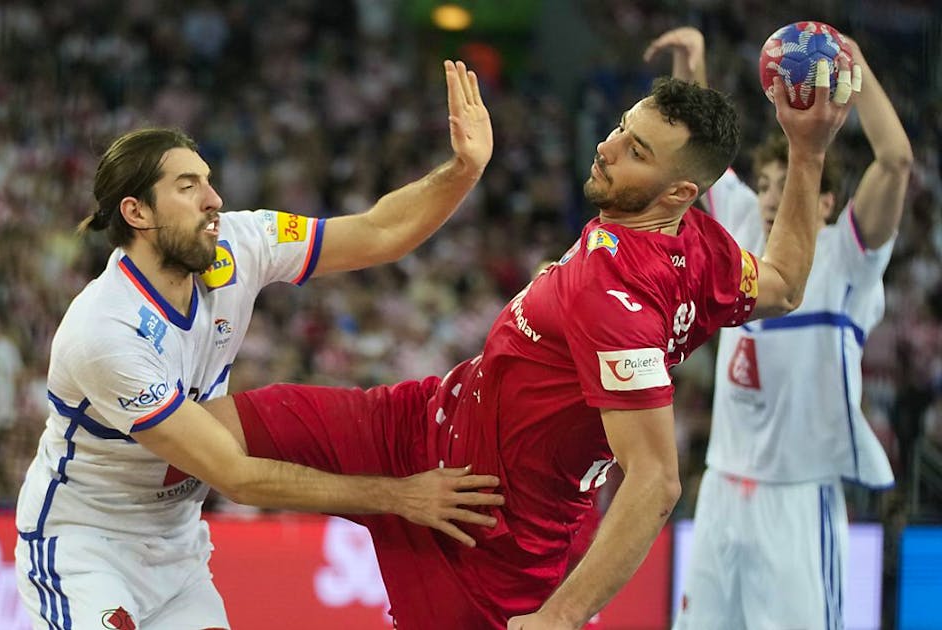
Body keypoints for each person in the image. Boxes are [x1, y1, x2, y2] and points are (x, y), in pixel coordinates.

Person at [204, 62, 860, 628]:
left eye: (636, 151)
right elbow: (782, 283)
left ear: (679, 192)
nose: (607, 147)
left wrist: (560, 616)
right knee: (203, 430)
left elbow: (657, 480)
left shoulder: (616, 296)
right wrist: (807, 153)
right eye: (622, 128)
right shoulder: (698, 246)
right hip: (415, 422)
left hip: (482, 530)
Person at [14, 60, 504, 630]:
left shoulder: (240, 242)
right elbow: (237, 476)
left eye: (208, 179)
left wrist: (465, 169)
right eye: (187, 186)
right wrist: (400, 497)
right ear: (136, 212)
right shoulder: (105, 331)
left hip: (177, 547)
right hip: (86, 547)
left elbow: (378, 231)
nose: (213, 198)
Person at [646, 27, 911, 629]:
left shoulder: (848, 258)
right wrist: (695, 65)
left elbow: (895, 161)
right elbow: (702, 158)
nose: (770, 196)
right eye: (764, 184)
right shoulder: (741, 232)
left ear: (826, 202)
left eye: (789, 183)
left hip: (797, 497)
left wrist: (856, 65)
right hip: (720, 490)